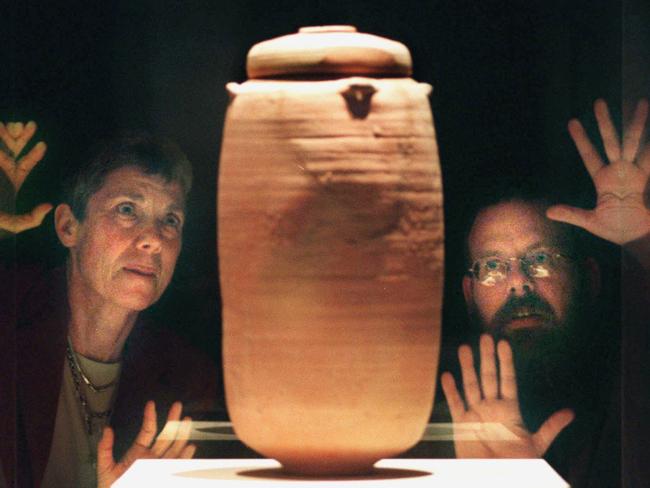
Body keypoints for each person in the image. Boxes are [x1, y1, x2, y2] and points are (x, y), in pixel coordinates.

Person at [441, 98, 650, 487]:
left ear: (589, 278)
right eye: (492, 267)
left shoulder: (634, 389)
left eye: (541, 258)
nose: (519, 282)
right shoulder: (430, 415)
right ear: (469, 294)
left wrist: (641, 241)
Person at [0, 124, 219, 488]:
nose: (153, 239)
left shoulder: (187, 378)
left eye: (171, 220)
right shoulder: (8, 317)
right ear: (69, 227)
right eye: (127, 210)